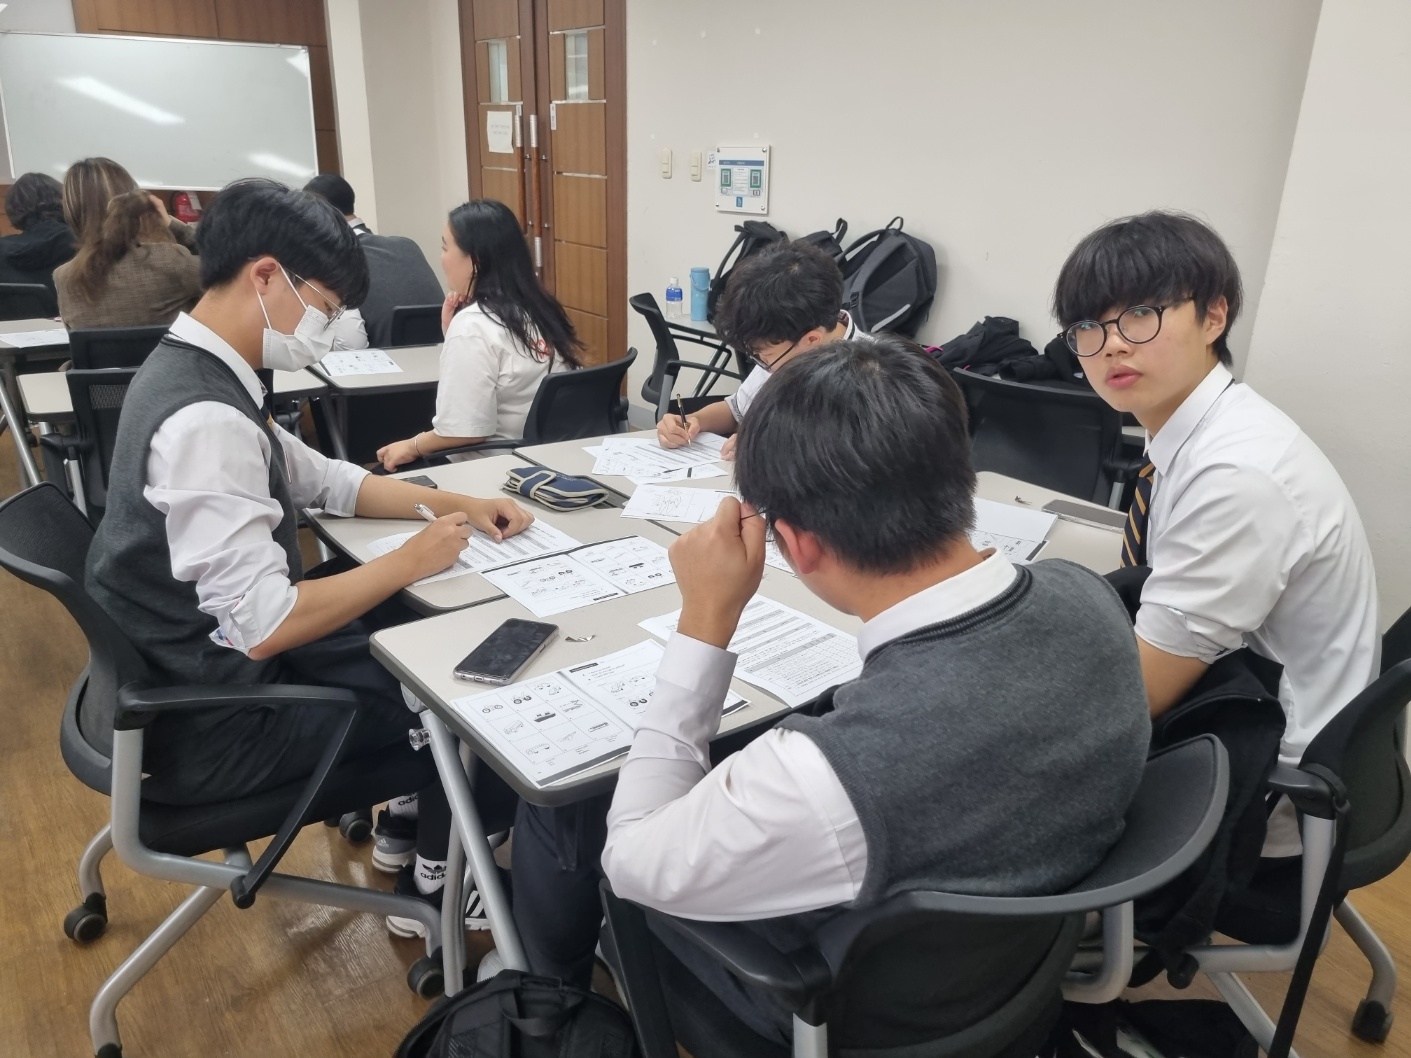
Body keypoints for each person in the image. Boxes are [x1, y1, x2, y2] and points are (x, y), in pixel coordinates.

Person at [598, 338, 1152, 1051]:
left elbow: (631, 858)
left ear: (797, 546)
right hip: (1015, 978)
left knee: (601, 879)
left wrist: (704, 621)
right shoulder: (1090, 597)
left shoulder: (826, 776)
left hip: (849, 1019)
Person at [84, 178, 531, 936]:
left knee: (406, 620)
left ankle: (405, 828)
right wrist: (409, 559)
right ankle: (445, 882)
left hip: (189, 670)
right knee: (470, 685)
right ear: (265, 276)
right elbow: (263, 625)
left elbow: (326, 480)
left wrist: (455, 503)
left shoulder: (199, 367)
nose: (329, 328)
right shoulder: (205, 420)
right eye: (325, 306)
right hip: (221, 724)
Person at [1052, 210, 1380, 854]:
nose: (1111, 344)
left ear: (1214, 317)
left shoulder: (1238, 473)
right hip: (1234, 693)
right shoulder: (1203, 433)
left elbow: (1140, 694)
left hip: (1262, 775)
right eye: (1088, 326)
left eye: (1140, 313)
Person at [376, 199, 583, 470]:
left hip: (492, 468)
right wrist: (452, 336)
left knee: (382, 472)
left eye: (445, 247)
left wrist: (411, 445)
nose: (441, 258)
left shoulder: (473, 326)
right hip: (551, 458)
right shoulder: (542, 309)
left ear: (475, 260)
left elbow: (465, 431)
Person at [656, 240, 869, 459]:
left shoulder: (872, 380)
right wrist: (694, 421)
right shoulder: (786, 345)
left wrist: (766, 446)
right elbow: (736, 411)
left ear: (812, 339)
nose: (763, 364)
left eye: (765, 357)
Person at [54, 157, 201, 329]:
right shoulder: (171, 261)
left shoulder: (64, 278)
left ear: (71, 213)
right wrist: (172, 225)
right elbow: (224, 262)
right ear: (132, 203)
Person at [304, 173, 443, 348]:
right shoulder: (407, 245)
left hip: (383, 362)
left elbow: (351, 344)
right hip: (442, 354)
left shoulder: (336, 260)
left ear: (319, 216)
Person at [0, 172, 76, 313]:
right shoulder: (83, 245)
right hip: (69, 325)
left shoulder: (2, 249)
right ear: (64, 203)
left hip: (10, 327)